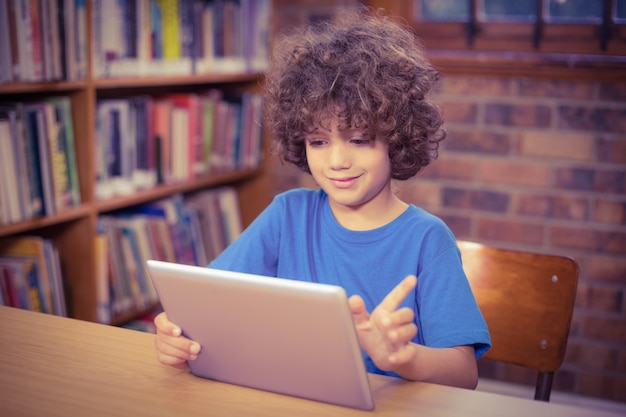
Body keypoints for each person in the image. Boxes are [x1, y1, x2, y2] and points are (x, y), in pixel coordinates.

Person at [154, 6, 491, 389]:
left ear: (397, 139)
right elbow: (206, 300)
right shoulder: (288, 214)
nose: (336, 161)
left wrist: (403, 357)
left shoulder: (428, 240)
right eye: (318, 141)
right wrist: (176, 332)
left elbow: (465, 374)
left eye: (359, 140)